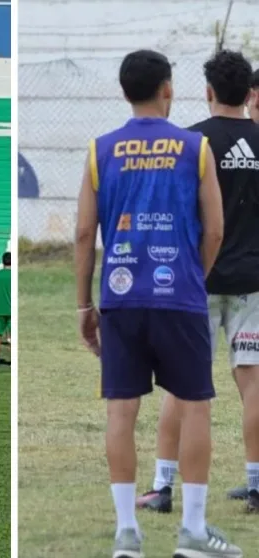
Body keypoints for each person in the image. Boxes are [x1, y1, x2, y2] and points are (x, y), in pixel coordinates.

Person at [75, 49, 238, 557]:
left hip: (120, 299)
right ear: (168, 89)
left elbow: (83, 233)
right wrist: (195, 275)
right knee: (195, 409)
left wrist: (85, 306)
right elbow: (214, 229)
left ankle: (128, 532)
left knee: (121, 412)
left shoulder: (99, 150)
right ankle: (192, 531)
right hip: (181, 296)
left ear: (125, 92)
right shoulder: (197, 147)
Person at [139, 50, 259, 515]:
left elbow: (170, 215)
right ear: (249, 93)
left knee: (181, 383)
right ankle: (255, 486)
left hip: (196, 280)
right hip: (253, 280)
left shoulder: (188, 143)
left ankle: (162, 486)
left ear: (207, 92)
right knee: (251, 381)